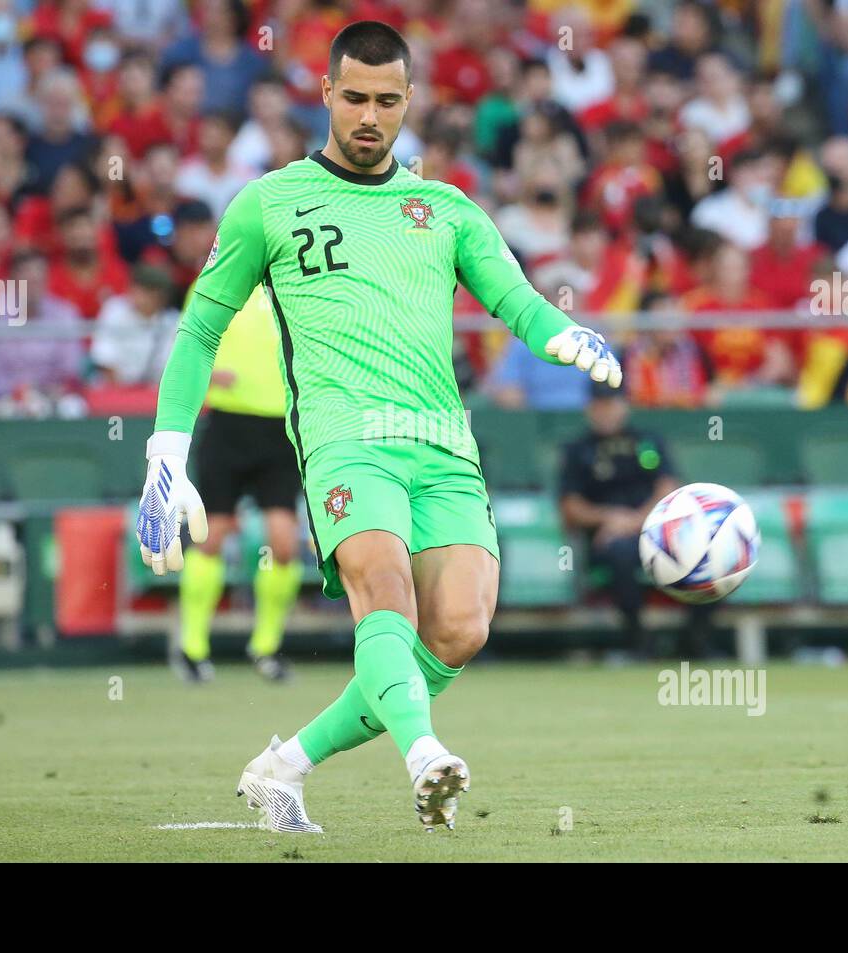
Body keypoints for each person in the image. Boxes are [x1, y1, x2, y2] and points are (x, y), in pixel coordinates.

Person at [134, 21, 623, 834]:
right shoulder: (270, 203)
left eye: (386, 100)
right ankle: (425, 753)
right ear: (325, 93)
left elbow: (515, 297)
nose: (369, 115)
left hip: (443, 444)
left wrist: (563, 334)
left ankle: (283, 765)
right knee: (383, 591)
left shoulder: (445, 207)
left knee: (460, 629)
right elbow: (197, 330)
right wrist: (165, 450)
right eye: (353, 97)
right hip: (343, 439)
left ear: (409, 102)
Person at [175, 286, 304, 685]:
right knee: (213, 534)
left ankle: (265, 647)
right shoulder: (217, 281)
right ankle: (192, 648)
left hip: (281, 428)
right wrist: (206, 373)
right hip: (228, 424)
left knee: (283, 542)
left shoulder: (295, 281)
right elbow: (189, 343)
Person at [558, 384, 685, 660]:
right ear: (589, 409)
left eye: (612, 404)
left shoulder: (647, 441)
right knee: (621, 554)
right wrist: (609, 518)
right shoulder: (577, 449)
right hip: (605, 539)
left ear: (624, 406)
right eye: (599, 405)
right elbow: (570, 506)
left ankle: (694, 643)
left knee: (701, 552)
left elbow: (668, 487)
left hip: (652, 530)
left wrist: (634, 521)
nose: (606, 412)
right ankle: (639, 641)